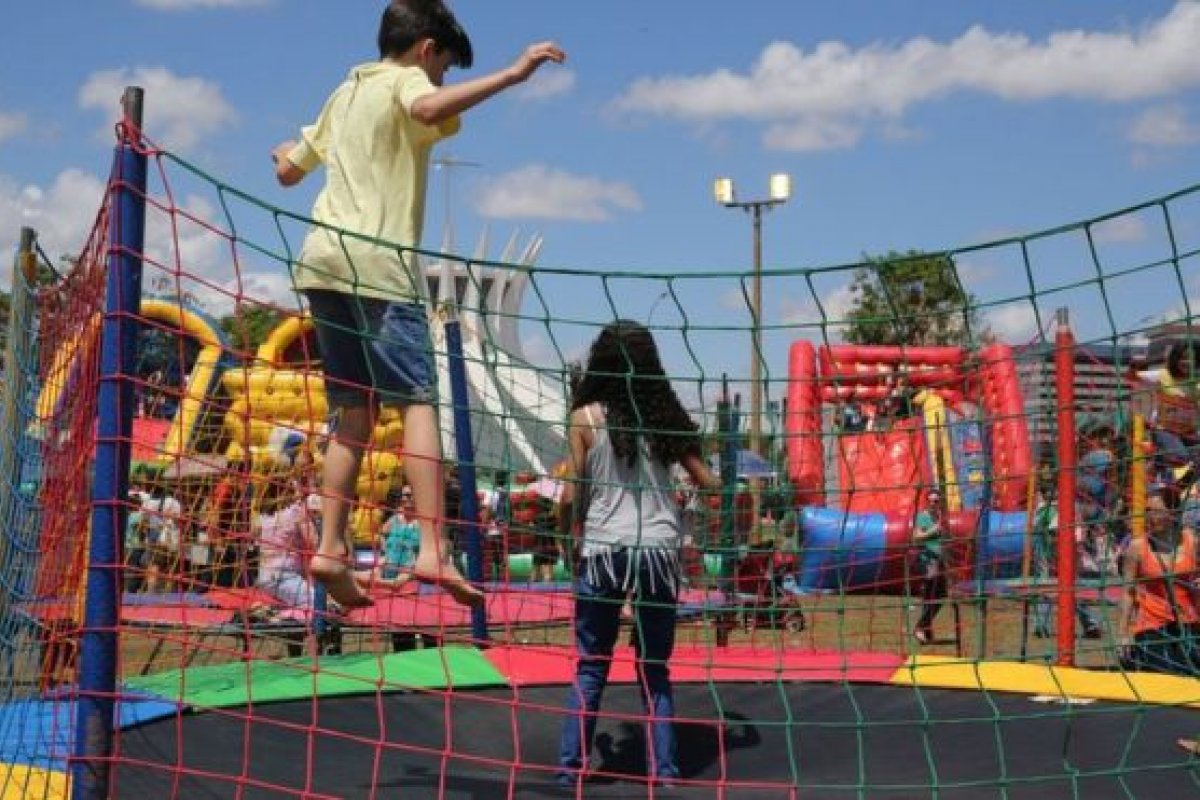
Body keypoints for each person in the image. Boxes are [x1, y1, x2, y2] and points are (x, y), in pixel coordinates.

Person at [271, 0, 566, 609]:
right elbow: (426, 105)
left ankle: (329, 548)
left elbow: (288, 172)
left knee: (351, 413)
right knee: (418, 402)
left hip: (322, 266)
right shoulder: (409, 81)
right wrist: (512, 76)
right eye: (446, 68)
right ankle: (434, 547)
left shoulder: (344, 91)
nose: (443, 82)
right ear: (426, 49)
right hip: (379, 267)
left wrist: (284, 153)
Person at [556, 320, 721, 789]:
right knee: (654, 669)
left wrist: (569, 542)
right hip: (657, 550)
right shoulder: (661, 413)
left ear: (600, 362)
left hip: (605, 547)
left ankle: (571, 770)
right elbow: (708, 480)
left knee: (591, 665)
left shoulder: (585, 416)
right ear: (650, 366)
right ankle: (663, 773)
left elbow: (574, 493)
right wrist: (707, 486)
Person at [1118, 486, 1200, 676]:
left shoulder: (1192, 542)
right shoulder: (1137, 548)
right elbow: (1128, 593)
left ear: (1173, 513)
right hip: (1151, 626)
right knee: (1167, 675)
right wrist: (1122, 634)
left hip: (1188, 622)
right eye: (1147, 512)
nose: (1150, 517)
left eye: (1156, 512)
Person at [254, 472, 319, 615]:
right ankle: (273, 617)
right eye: (296, 488)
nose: (300, 492)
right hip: (284, 576)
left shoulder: (262, 516)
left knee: (306, 599)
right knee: (319, 605)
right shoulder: (296, 512)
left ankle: (269, 610)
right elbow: (314, 542)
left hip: (265, 576)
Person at [1151, 340, 1199, 488]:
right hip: (1165, 430)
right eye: (1183, 357)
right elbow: (1132, 377)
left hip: (1188, 433)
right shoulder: (1163, 375)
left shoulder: (1196, 382)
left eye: (1192, 358)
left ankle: (1179, 484)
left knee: (1195, 460)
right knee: (1180, 456)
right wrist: (1135, 367)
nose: (1188, 362)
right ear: (1176, 359)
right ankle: (1162, 472)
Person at [910, 489, 948, 645]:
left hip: (940, 560)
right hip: (928, 562)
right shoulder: (922, 517)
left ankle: (926, 627)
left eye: (936, 501)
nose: (934, 503)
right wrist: (932, 531)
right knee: (930, 595)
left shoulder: (940, 517)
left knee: (941, 596)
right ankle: (920, 628)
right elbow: (916, 537)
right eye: (931, 501)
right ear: (927, 502)